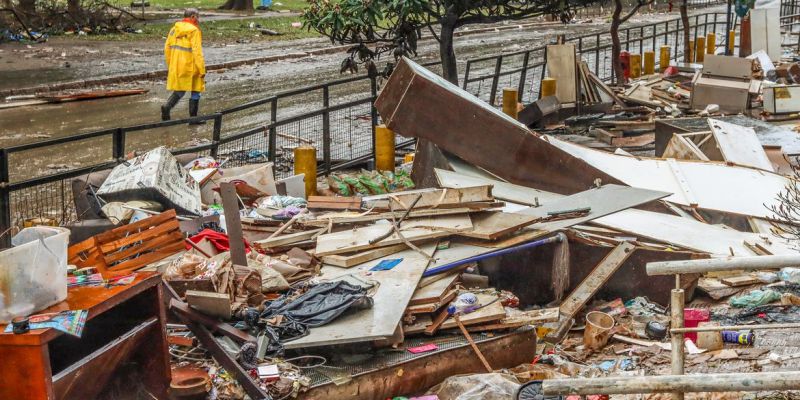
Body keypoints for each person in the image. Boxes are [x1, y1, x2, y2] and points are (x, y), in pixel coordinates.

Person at [162, 8, 206, 122]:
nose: (198, 19)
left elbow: (167, 48)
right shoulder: (194, 31)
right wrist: (201, 69)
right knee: (196, 89)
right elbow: (197, 51)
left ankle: (167, 107)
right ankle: (193, 118)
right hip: (192, 65)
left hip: (177, 64)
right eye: (197, 16)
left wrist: (170, 64)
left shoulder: (174, 29)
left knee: (180, 89)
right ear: (192, 17)